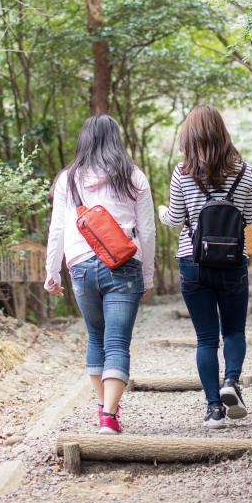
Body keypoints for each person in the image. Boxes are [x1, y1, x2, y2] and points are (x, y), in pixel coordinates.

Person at [44, 115, 155, 435]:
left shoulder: (69, 178)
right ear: (116, 139)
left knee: (96, 338)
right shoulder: (133, 176)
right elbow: (147, 232)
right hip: (124, 266)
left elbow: (58, 229)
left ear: (84, 141)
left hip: (80, 267)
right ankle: (109, 415)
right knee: (117, 342)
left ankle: (105, 409)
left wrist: (52, 272)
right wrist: (148, 276)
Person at [160, 105, 252, 429]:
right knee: (233, 330)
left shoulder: (182, 173)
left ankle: (214, 409)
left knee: (205, 339)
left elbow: (175, 219)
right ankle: (231, 380)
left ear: (190, 136)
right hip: (232, 263)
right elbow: (249, 220)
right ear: (222, 133)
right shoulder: (245, 173)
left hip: (193, 262)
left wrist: (162, 213)